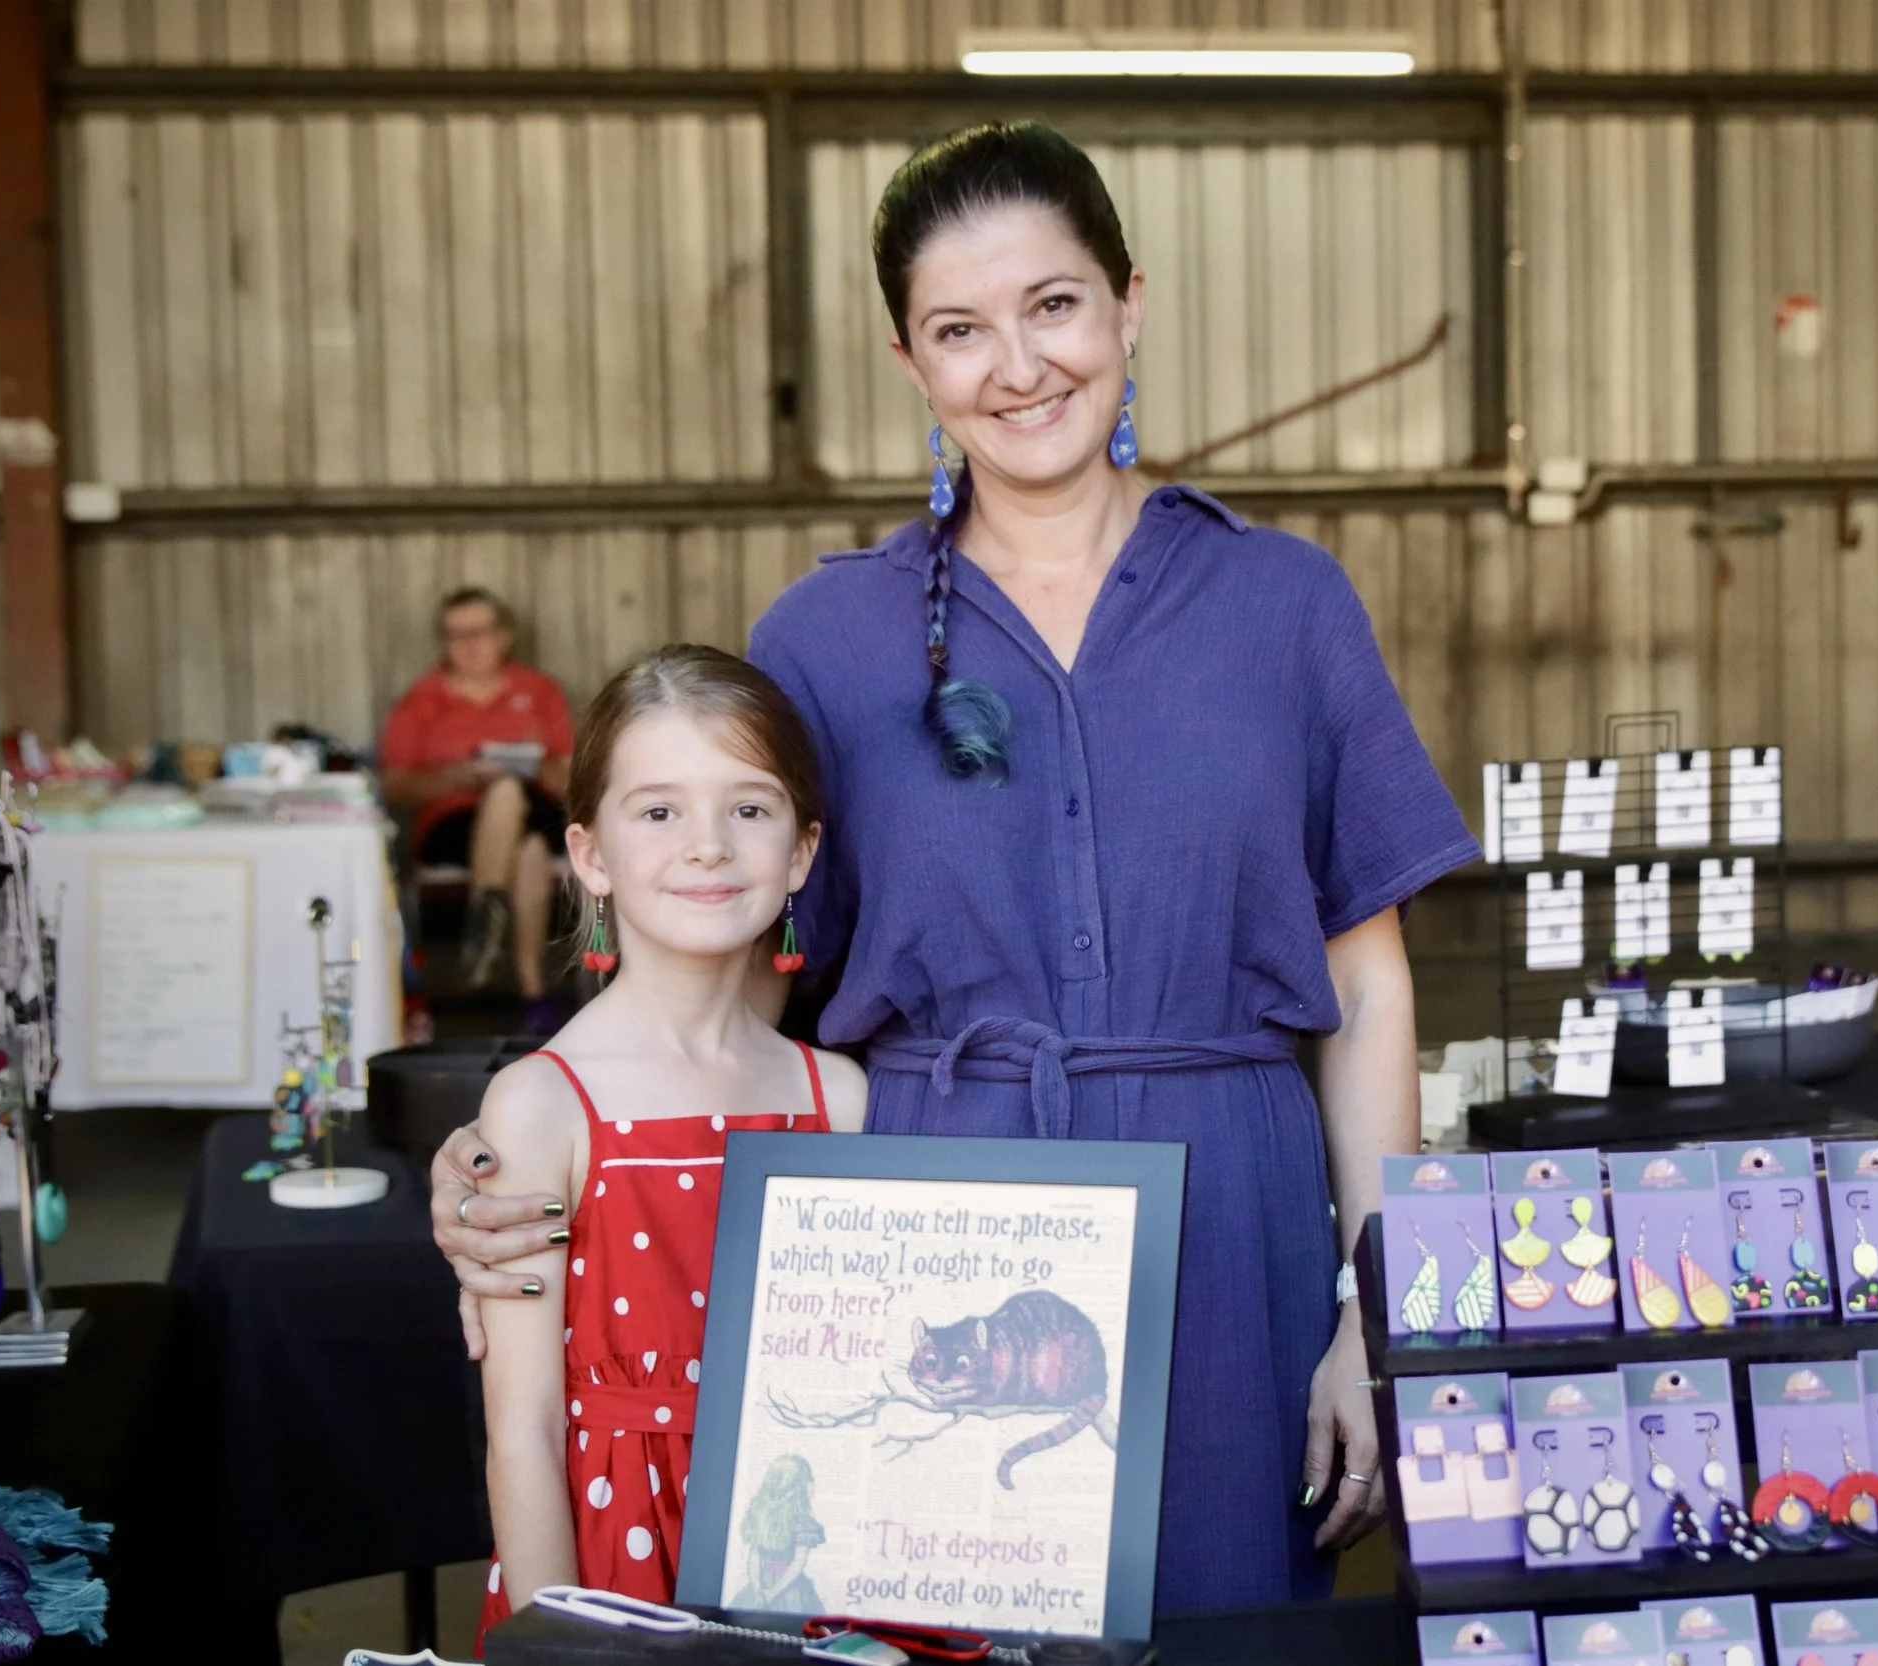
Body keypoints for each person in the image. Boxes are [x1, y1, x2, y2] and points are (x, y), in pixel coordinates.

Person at [431, 121, 1479, 1613]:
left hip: (1231, 1220)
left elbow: (1367, 992)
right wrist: (514, 1153)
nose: (1018, 363)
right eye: (958, 329)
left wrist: (1374, 1316)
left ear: (1130, 302)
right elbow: (719, 963)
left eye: (1053, 304)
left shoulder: (1284, 602)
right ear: (913, 365)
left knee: (1231, 1623)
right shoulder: (826, 637)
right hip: (921, 1222)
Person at [468, 644, 867, 1633]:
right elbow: (521, 1429)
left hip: (799, 1556)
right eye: (658, 810)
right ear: (590, 853)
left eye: (749, 807)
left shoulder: (840, 1097)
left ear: (803, 851)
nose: (707, 845)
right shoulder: (540, 1105)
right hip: (613, 1573)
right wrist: (559, 1638)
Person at [379, 586, 576, 1029]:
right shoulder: (421, 701)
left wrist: (534, 761)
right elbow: (392, 788)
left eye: (479, 632)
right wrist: (459, 775)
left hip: (537, 807)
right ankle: (533, 994)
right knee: (525, 843)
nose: (468, 645)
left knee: (515, 807)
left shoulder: (538, 692)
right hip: (450, 823)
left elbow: (573, 779)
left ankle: (485, 923)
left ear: (504, 636)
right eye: (455, 635)